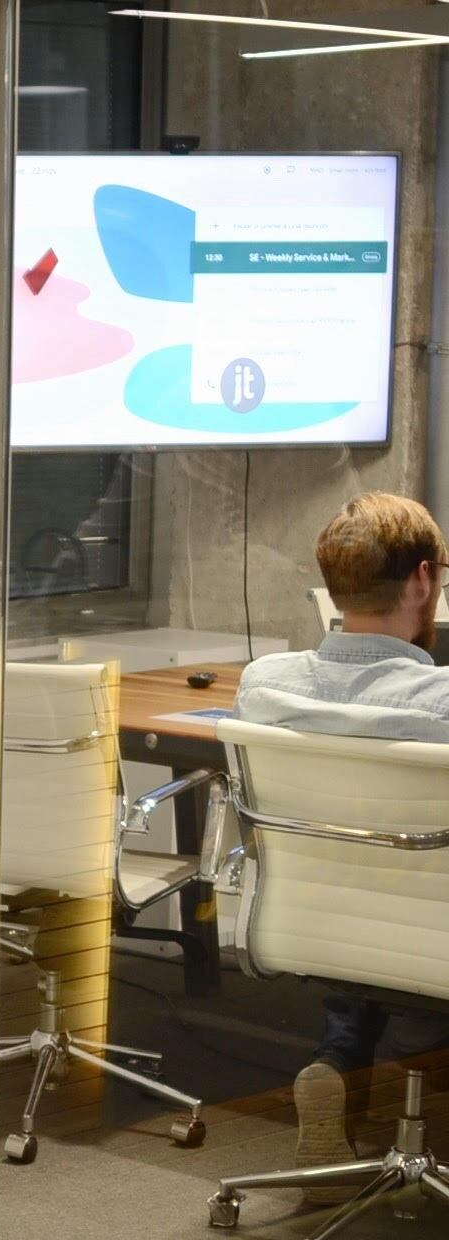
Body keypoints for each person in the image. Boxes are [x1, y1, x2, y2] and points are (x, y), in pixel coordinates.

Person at [233, 490, 449, 1200]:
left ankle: (338, 1059)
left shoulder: (265, 685)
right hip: (431, 930)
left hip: (321, 921)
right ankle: (411, 1063)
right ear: (422, 580)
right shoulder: (442, 702)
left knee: (364, 864)